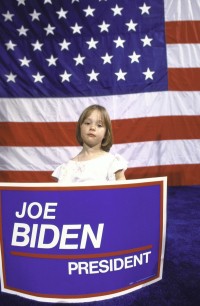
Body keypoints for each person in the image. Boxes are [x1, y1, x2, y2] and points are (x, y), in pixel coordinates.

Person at [52, 104, 127, 183]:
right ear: (80, 128)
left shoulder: (113, 163)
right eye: (87, 123)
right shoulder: (66, 168)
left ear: (106, 133)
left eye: (99, 125)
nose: (92, 128)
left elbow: (122, 192)